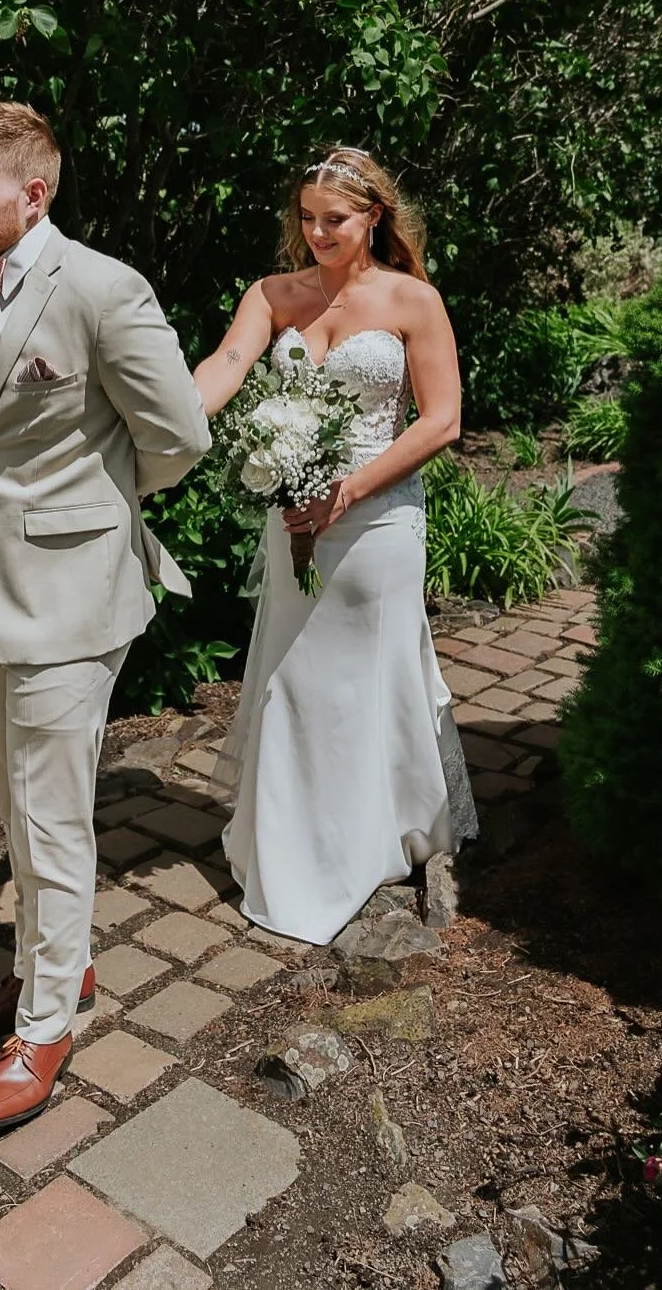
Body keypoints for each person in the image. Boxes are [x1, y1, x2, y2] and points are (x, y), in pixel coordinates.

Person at [0, 101, 210, 1132]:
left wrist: (97, 512)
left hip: (70, 595)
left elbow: (177, 434)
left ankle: (46, 1025)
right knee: (15, 805)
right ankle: (57, 968)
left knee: (52, 817)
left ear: (31, 193)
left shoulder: (100, 287)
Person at [193, 146, 477, 945]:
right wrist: (166, 423)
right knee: (292, 679)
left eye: (335, 220)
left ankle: (368, 841)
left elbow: (441, 420)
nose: (316, 233)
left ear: (373, 217)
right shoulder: (273, 295)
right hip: (292, 519)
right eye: (306, 218)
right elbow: (225, 364)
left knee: (361, 684)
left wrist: (348, 490)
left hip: (377, 519)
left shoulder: (412, 300)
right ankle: (290, 851)